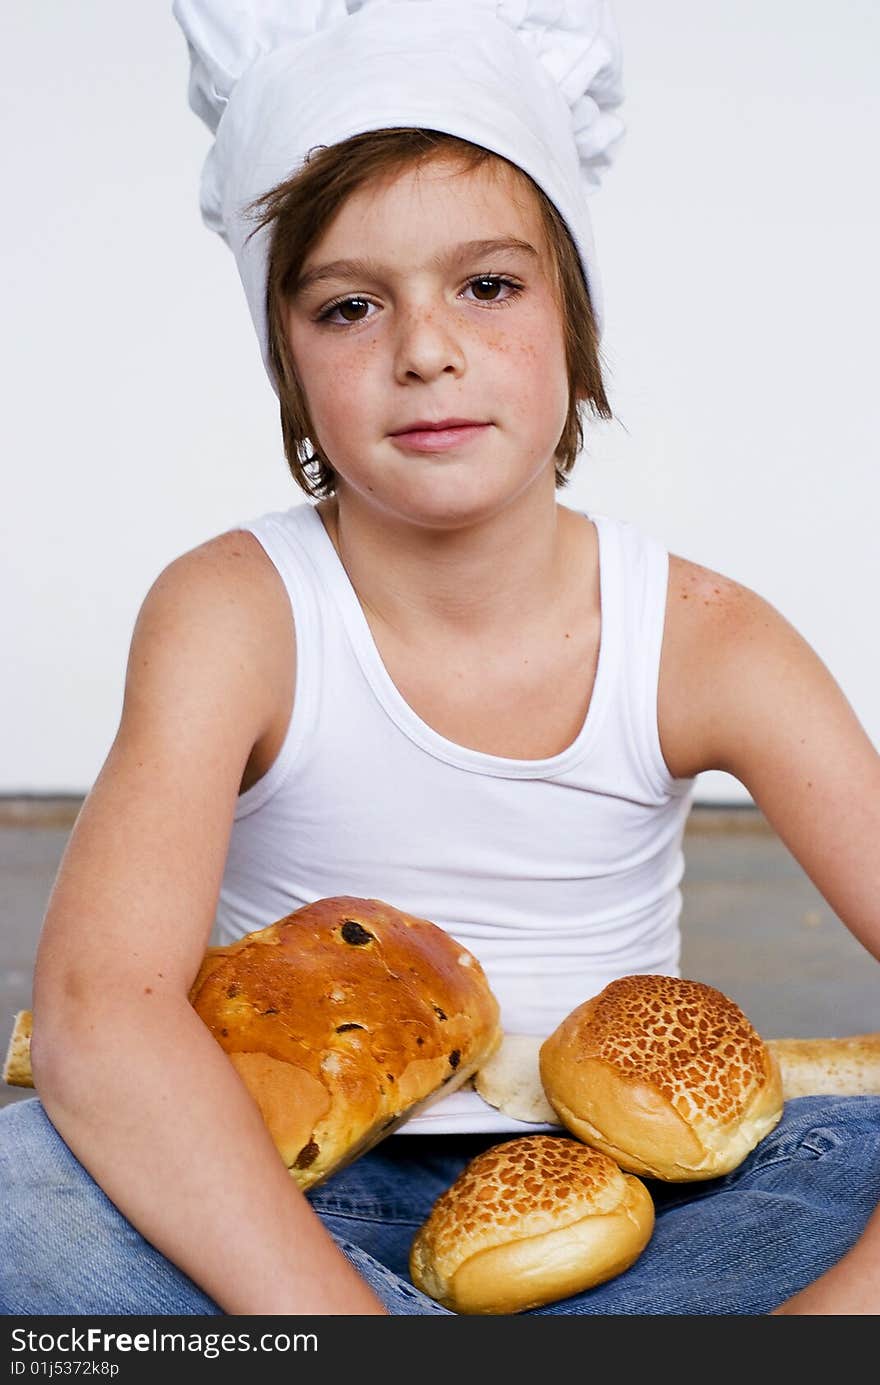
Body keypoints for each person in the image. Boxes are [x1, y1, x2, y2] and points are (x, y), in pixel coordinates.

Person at [1, 0, 878, 1316]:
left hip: (632, 1210)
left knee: (844, 1152)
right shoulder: (233, 611)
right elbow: (99, 1007)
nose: (427, 349)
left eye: (488, 284)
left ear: (573, 319)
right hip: (270, 1193)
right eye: (351, 306)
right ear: (287, 361)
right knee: (29, 1194)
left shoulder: (701, 636)